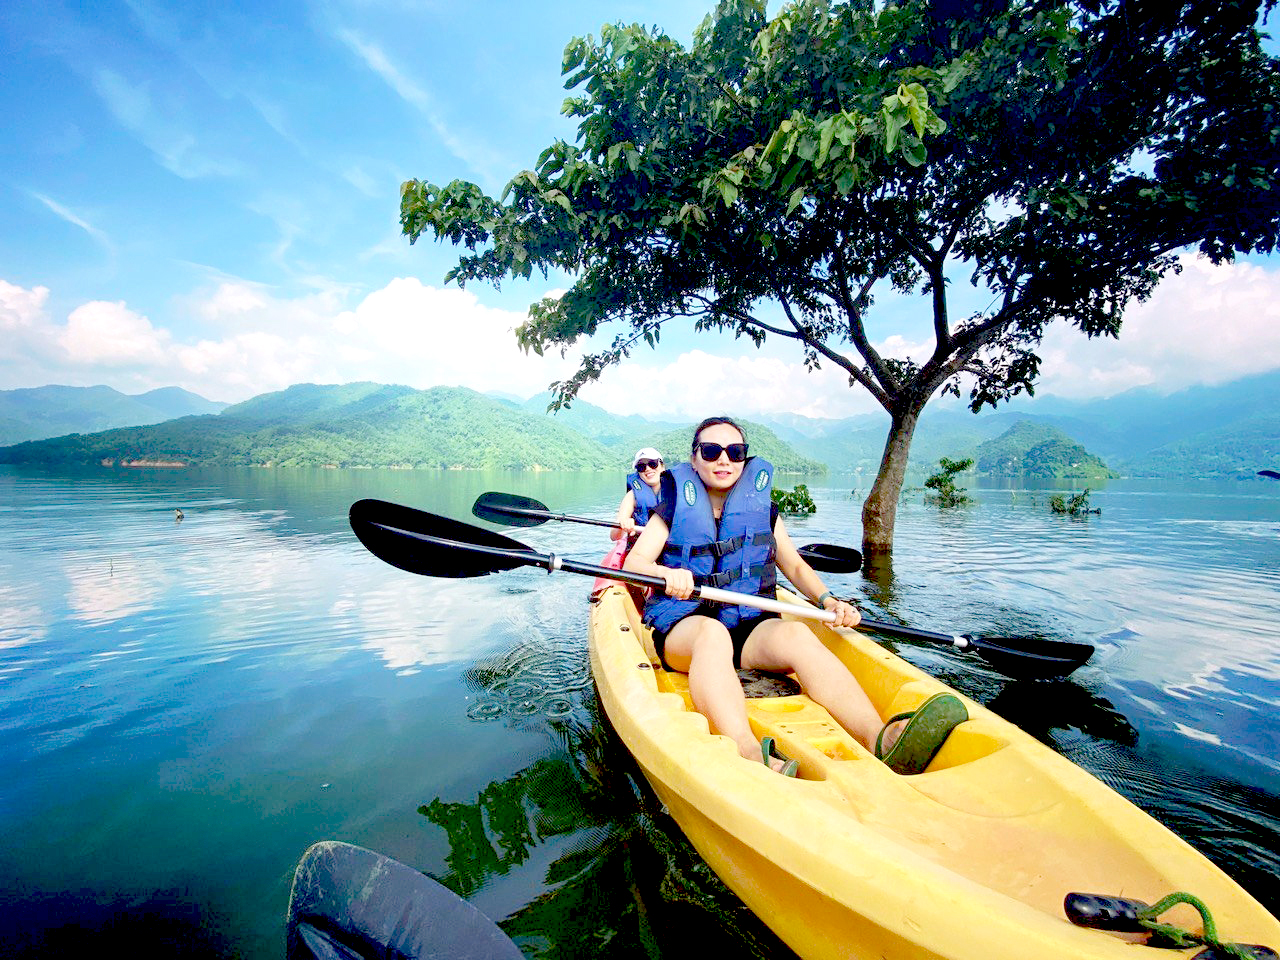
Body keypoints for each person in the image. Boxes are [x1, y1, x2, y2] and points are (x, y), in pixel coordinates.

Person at [623, 416, 966, 776]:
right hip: (689, 629)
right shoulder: (673, 506)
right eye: (711, 451)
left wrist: (828, 600)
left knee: (797, 634)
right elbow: (636, 561)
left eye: (734, 451)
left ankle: (877, 736)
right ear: (695, 459)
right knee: (713, 635)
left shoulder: (761, 509)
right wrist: (666, 573)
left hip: (748, 627)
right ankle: (747, 751)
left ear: (744, 458)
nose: (723, 459)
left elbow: (796, 567)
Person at [611, 447, 664, 542]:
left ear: (662, 466)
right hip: (641, 546)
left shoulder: (677, 491)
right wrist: (624, 523)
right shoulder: (632, 496)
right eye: (641, 467)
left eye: (653, 464)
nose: (647, 469)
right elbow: (614, 536)